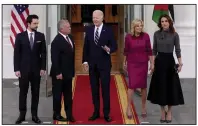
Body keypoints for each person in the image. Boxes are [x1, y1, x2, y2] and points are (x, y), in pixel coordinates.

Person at [147, 14, 184, 123]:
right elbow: (154, 50)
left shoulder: (175, 35)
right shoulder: (156, 34)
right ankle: (162, 111)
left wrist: (180, 63)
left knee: (170, 88)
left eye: (166, 21)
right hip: (159, 63)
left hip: (170, 63)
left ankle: (170, 111)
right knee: (161, 88)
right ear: (160, 23)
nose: (164, 23)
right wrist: (152, 64)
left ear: (169, 22)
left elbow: (178, 50)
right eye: (162, 21)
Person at [82, 10, 117, 122]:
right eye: (93, 17)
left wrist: (109, 49)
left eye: (97, 17)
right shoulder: (89, 29)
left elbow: (114, 46)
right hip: (92, 65)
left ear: (102, 18)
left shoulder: (109, 30)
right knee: (94, 89)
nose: (95, 19)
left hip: (105, 65)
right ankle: (96, 112)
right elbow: (85, 47)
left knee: (105, 90)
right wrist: (85, 62)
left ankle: (106, 113)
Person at [14, 14, 46, 124]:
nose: (37, 25)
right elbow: (16, 54)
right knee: (23, 93)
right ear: (28, 24)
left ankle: (34, 115)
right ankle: (22, 115)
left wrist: (43, 67)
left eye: (37, 23)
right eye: (35, 23)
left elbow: (43, 53)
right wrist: (16, 69)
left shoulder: (41, 36)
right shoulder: (20, 36)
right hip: (23, 71)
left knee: (35, 93)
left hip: (37, 70)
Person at [123, 19, 153, 119]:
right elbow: (126, 51)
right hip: (132, 64)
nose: (140, 27)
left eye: (141, 25)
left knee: (143, 86)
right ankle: (128, 107)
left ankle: (143, 107)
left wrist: (152, 64)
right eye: (137, 26)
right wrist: (124, 62)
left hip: (143, 63)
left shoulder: (146, 36)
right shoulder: (128, 37)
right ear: (134, 27)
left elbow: (149, 51)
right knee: (131, 86)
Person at [50, 19, 75, 122]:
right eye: (68, 27)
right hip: (59, 74)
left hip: (68, 73)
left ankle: (69, 114)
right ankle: (56, 114)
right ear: (61, 29)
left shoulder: (70, 37)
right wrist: (58, 72)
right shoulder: (56, 41)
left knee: (68, 95)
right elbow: (54, 59)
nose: (70, 28)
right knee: (57, 95)